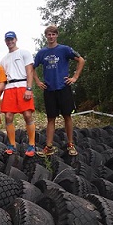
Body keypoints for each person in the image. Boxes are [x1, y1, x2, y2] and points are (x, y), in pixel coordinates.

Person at [34, 25, 85, 156]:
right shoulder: (42, 53)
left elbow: (81, 60)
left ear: (57, 35)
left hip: (63, 87)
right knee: (51, 118)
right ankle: (49, 147)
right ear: (46, 36)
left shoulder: (64, 49)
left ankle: (71, 144)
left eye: (53, 34)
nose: (51, 37)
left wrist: (75, 77)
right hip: (49, 89)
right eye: (48, 34)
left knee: (67, 116)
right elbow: (31, 67)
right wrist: (38, 81)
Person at [0, 31, 36, 158]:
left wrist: (29, 88)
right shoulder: (3, 60)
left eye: (11, 39)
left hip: (22, 85)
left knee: (27, 114)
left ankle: (32, 144)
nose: (10, 42)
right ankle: (12, 145)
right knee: (8, 116)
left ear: (16, 39)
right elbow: (2, 79)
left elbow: (30, 71)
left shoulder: (24, 53)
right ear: (5, 41)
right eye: (7, 40)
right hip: (9, 87)